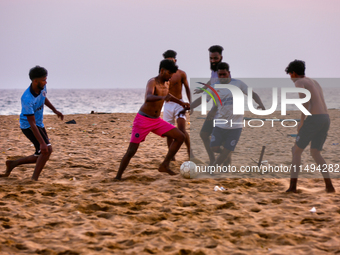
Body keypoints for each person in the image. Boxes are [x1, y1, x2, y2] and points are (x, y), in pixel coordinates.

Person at [115, 59, 190, 180]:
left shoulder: (167, 83)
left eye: (172, 74)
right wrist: (162, 97)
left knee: (180, 136)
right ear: (162, 71)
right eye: (169, 73)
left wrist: (182, 103)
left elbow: (169, 96)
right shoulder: (152, 82)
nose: (171, 77)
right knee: (131, 151)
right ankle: (118, 177)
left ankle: (165, 165)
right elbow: (148, 97)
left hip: (156, 121)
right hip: (143, 120)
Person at [1, 66, 63, 181]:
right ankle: (34, 179)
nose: (46, 82)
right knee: (45, 151)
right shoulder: (27, 98)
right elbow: (31, 123)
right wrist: (42, 143)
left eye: (46, 79)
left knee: (43, 152)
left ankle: (13, 164)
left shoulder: (42, 86)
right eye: (43, 79)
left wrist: (54, 110)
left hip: (38, 124)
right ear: (35, 81)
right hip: (28, 126)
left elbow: (44, 97)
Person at [285, 60, 335, 193]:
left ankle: (292, 187)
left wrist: (302, 121)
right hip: (325, 118)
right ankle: (329, 186)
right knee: (315, 152)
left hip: (314, 119)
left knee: (296, 151)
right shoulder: (314, 81)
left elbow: (305, 101)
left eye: (290, 75)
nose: (291, 78)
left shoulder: (299, 82)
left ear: (293, 73)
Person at [209, 62, 265, 166]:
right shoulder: (215, 87)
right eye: (219, 75)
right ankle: (226, 152)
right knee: (214, 148)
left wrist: (260, 104)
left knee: (226, 151)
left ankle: (212, 168)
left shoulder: (238, 84)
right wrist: (211, 112)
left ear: (229, 73)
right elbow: (216, 103)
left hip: (235, 125)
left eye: (224, 74)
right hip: (220, 123)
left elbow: (253, 94)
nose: (222, 77)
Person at [190, 45, 224, 164]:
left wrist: (214, 110)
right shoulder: (214, 71)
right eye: (211, 58)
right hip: (216, 109)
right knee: (204, 135)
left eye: (215, 58)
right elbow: (211, 83)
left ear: (221, 57)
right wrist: (204, 89)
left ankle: (225, 159)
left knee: (218, 143)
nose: (213, 61)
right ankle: (213, 160)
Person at [161, 50, 193, 160]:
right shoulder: (163, 74)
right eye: (167, 61)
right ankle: (172, 156)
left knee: (182, 130)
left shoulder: (181, 73)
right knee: (169, 132)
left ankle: (190, 151)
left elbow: (187, 89)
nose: (169, 63)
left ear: (175, 60)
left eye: (171, 61)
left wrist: (191, 103)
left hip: (179, 104)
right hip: (168, 105)